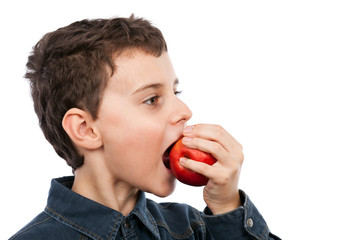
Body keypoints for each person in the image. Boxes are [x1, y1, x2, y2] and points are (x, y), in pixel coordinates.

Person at [9, 15, 280, 240]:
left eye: (176, 92)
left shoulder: (193, 229)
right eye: (152, 99)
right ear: (86, 129)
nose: (184, 112)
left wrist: (227, 207)